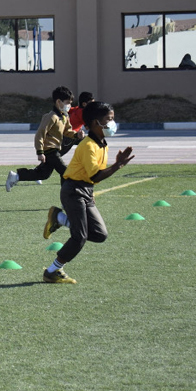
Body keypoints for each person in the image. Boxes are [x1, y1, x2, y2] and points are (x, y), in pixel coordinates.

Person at [42, 102, 134, 284]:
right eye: (108, 120)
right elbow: (96, 175)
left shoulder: (102, 145)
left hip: (85, 190)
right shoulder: (88, 145)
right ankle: (52, 271)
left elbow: (92, 177)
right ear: (94, 122)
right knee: (79, 237)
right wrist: (117, 166)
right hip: (73, 191)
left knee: (100, 234)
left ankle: (59, 218)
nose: (112, 124)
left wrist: (91, 190)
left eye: (112, 119)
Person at [6, 86, 78, 192]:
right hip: (50, 150)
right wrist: (40, 152)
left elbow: (68, 131)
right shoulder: (51, 117)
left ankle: (16, 176)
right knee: (65, 172)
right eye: (67, 102)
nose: (69, 106)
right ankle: (67, 198)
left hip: (56, 150)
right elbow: (40, 134)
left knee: (43, 174)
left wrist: (77, 135)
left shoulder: (64, 116)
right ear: (58, 102)